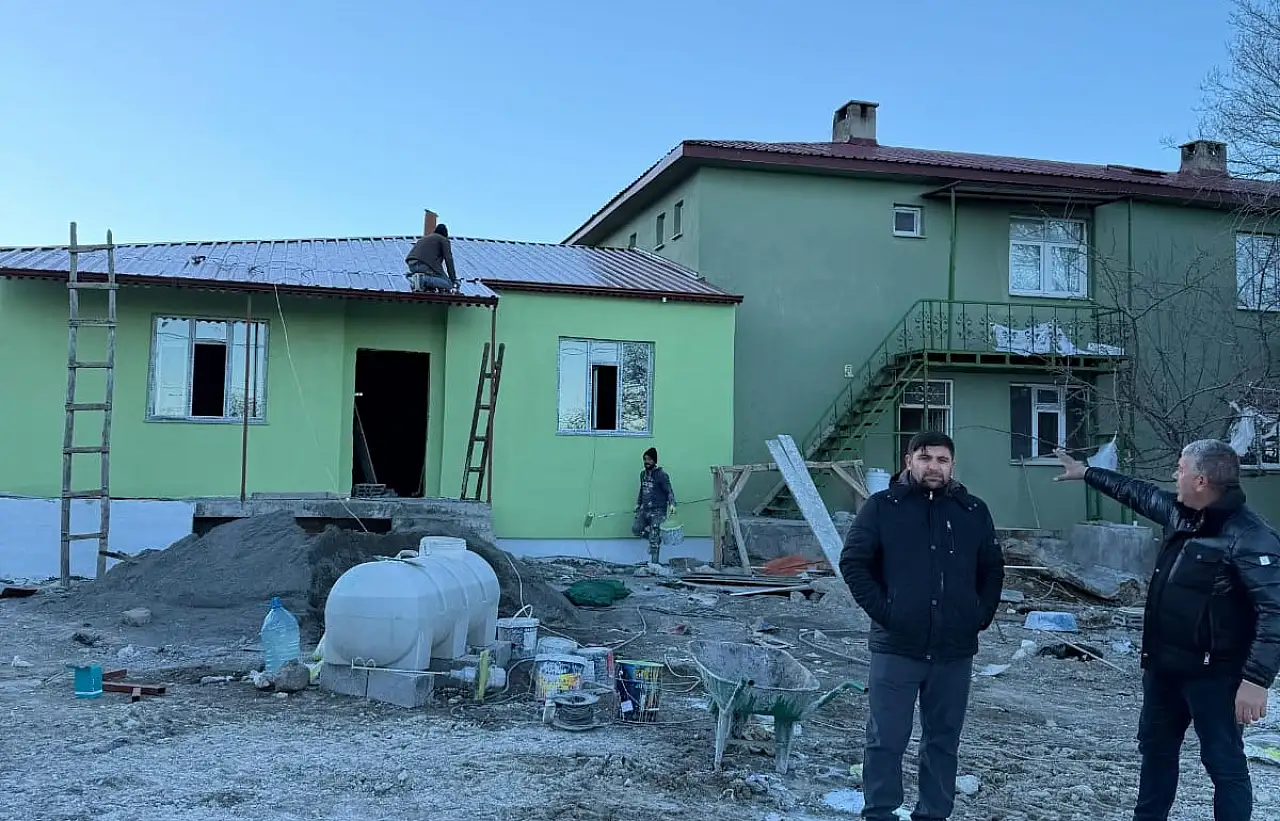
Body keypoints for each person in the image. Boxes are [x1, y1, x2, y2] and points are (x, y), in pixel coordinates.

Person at [1053, 441, 1280, 821]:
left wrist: (1256, 680)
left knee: (1224, 764)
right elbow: (1137, 492)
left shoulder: (1251, 536)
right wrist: (1087, 473)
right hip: (1164, 668)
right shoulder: (1181, 513)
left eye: (1181, 469)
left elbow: (1274, 610)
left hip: (1216, 676)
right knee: (1156, 753)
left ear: (1201, 480)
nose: (1175, 475)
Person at [840, 431, 1004, 821]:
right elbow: (854, 563)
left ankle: (933, 813)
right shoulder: (882, 508)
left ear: (952, 465)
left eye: (942, 460)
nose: (934, 466)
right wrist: (887, 612)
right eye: (925, 458)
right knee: (886, 738)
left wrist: (978, 616)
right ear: (909, 461)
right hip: (897, 646)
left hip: (953, 652)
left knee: (943, 742)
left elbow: (992, 569)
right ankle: (880, 812)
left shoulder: (972, 511)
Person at [632, 447, 675, 565]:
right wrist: (638, 504)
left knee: (654, 539)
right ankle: (654, 538)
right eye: (645, 459)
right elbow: (642, 490)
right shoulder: (643, 474)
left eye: (649, 459)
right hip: (645, 510)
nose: (647, 462)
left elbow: (669, 491)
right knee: (636, 529)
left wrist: (672, 504)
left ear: (654, 461)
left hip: (658, 512)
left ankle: (654, 565)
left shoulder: (662, 475)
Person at [405, 224, 457, 292]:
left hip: (412, 266)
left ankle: (416, 281)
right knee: (448, 284)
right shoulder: (443, 239)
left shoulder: (424, 238)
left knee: (433, 277)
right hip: (425, 265)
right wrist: (453, 279)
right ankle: (423, 280)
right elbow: (448, 259)